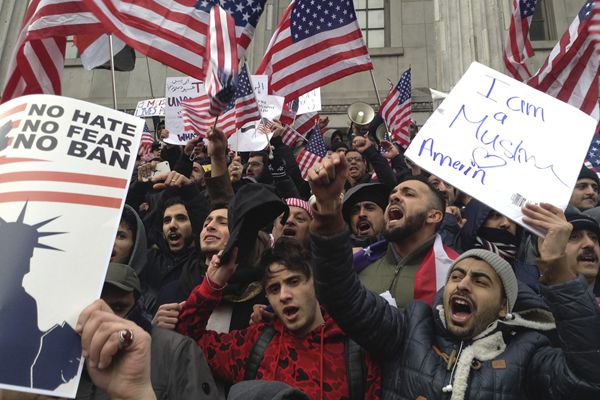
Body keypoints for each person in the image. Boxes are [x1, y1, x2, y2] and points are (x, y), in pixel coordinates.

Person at [307, 152, 600, 399]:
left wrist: (557, 266)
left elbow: (588, 379)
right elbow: (340, 293)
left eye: (481, 280)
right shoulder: (410, 330)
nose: (463, 283)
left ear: (503, 306)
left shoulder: (528, 353)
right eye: (456, 275)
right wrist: (328, 211)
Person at [175, 240, 382, 399]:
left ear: (315, 284)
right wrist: (213, 284)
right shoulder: (254, 343)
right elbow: (188, 340)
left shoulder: (356, 350)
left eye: (293, 281)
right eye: (274, 289)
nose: (284, 295)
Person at [76, 263, 220, 400]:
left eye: (119, 307)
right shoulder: (65, 352)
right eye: (95, 309)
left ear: (138, 306)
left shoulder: (175, 349)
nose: (106, 318)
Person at [352, 176, 458, 308]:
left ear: (433, 216)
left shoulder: (454, 273)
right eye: (393, 193)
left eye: (409, 194)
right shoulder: (359, 263)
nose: (394, 198)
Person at [342, 182, 390, 249]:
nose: (361, 214)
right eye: (355, 211)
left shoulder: (399, 247)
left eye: (370, 208)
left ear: (385, 214)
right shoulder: (340, 253)